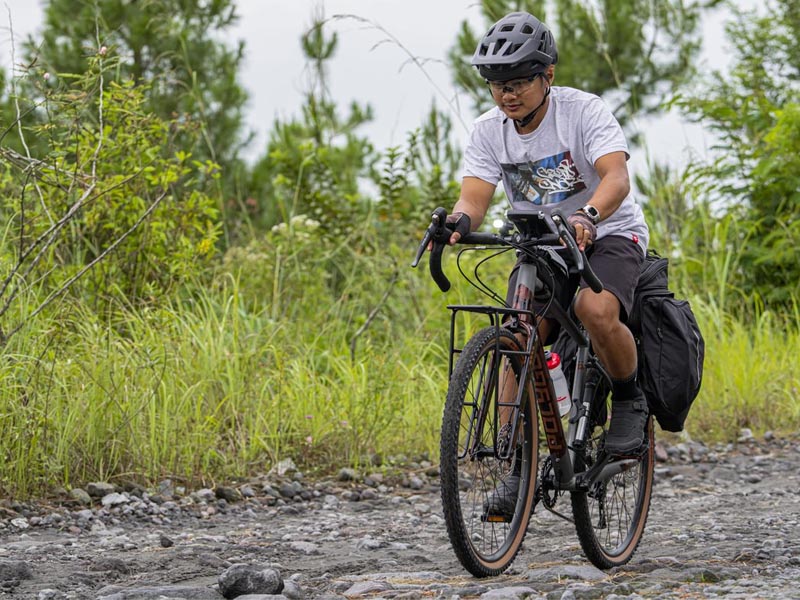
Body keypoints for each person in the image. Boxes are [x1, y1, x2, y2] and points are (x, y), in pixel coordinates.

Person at [444, 11, 650, 515]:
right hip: (540, 244)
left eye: (517, 82)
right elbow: (473, 199)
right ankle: (520, 467)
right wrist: (454, 223)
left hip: (607, 231)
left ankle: (628, 398)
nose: (506, 94)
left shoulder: (583, 112)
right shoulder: (490, 131)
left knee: (597, 312)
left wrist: (589, 214)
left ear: (548, 76)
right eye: (497, 85)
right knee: (517, 334)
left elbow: (616, 178)